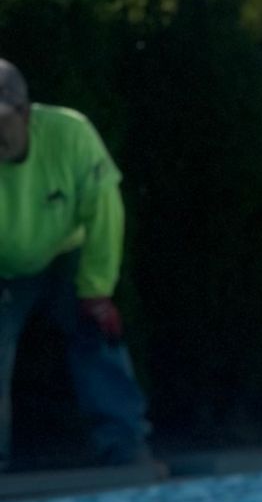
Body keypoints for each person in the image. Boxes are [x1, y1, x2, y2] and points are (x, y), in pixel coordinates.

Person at [0, 60, 150, 470]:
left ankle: (125, 451)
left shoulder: (70, 132)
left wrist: (97, 290)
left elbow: (104, 211)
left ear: (25, 113)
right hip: (3, 270)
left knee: (98, 334)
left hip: (67, 254)